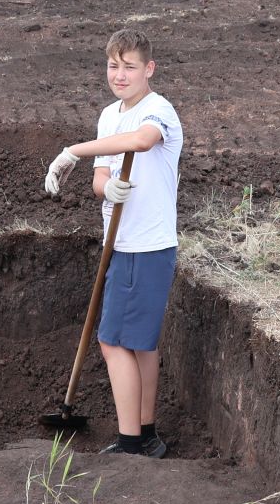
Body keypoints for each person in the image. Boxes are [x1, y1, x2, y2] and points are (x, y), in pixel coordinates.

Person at [43, 28, 184, 457]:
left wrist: (71, 150)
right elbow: (101, 177)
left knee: (113, 341)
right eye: (113, 66)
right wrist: (107, 190)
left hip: (148, 245)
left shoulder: (159, 111)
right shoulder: (109, 116)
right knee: (139, 345)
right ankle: (147, 436)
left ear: (149, 69)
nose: (120, 76)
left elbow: (141, 142)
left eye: (129, 67)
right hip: (120, 242)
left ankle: (130, 445)